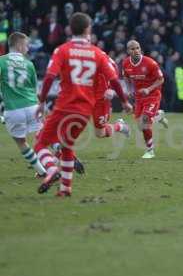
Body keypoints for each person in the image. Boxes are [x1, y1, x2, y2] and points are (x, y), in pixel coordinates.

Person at [34, 12, 132, 197]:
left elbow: (49, 78)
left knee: (40, 143)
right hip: (85, 109)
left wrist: (41, 102)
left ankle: (51, 169)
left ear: (70, 29)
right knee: (67, 145)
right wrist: (125, 101)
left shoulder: (62, 50)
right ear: (88, 30)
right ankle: (65, 189)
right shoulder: (96, 53)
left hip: (64, 106)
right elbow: (115, 79)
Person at [0, 32, 47, 177]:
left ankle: (42, 171)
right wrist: (40, 107)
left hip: (13, 109)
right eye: (27, 45)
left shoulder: (1, 61)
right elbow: (34, 90)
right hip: (32, 106)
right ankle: (65, 155)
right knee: (44, 136)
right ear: (19, 46)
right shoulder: (29, 64)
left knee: (21, 142)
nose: (28, 48)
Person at [122, 40, 168, 159]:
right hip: (139, 97)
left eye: (137, 48)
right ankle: (158, 116)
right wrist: (129, 89)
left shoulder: (150, 63)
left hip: (153, 95)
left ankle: (150, 150)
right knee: (140, 126)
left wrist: (148, 89)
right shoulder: (126, 63)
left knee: (145, 122)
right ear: (128, 51)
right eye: (132, 49)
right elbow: (126, 77)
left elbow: (161, 79)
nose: (136, 50)